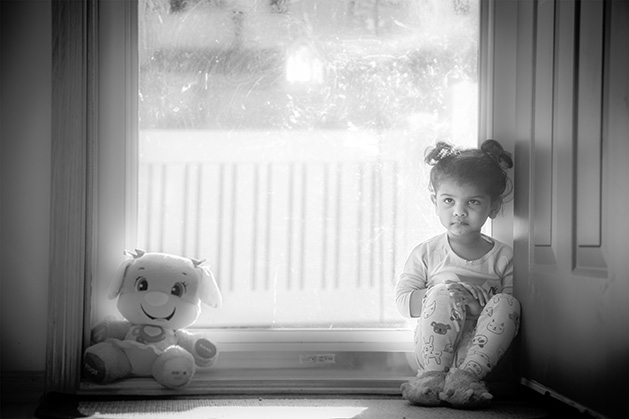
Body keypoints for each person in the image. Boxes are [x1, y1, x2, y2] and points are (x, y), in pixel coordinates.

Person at [395, 139, 521, 409]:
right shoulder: (427, 253)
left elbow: (510, 318)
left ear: (493, 207)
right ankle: (431, 379)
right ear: (435, 202)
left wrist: (477, 305)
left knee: (508, 303)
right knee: (441, 290)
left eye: (473, 201)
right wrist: (443, 293)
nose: (459, 211)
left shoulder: (504, 257)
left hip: (480, 357)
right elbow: (404, 303)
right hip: (433, 354)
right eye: (449, 200)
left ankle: (466, 381)